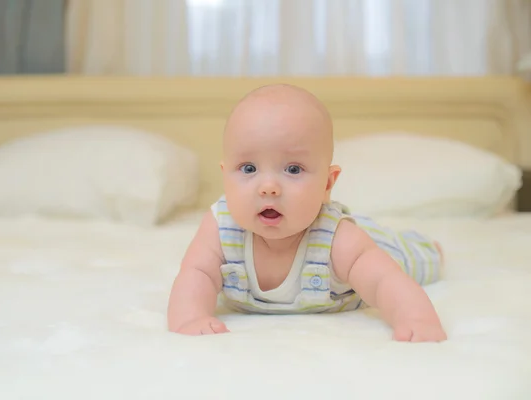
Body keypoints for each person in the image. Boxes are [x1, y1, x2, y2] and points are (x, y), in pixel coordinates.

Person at [167, 84, 447, 342]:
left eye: (293, 169)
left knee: (402, 257)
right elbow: (196, 274)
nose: (268, 187)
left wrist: (416, 318)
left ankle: (427, 246)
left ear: (327, 183)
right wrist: (191, 316)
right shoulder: (220, 226)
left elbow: (385, 280)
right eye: (249, 168)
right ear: (225, 176)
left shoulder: (340, 239)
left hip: (357, 243)